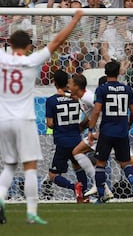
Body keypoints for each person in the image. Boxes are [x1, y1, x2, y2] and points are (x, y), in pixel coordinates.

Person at [0, 5, 83, 224]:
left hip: (3, 119)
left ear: (10, 44)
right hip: (24, 119)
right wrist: (76, 18)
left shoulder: (1, 58)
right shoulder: (31, 60)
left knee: (9, 166)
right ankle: (31, 212)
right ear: (29, 46)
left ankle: (0, 198)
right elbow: (57, 41)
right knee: (30, 166)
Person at [69, 74, 133, 203]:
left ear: (77, 86)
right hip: (111, 132)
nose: (68, 86)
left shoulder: (88, 97)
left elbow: (100, 111)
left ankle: (101, 187)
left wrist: (98, 131)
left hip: (106, 133)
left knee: (80, 153)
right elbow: (91, 115)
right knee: (128, 163)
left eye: (70, 83)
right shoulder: (83, 98)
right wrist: (83, 127)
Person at [88, 60, 133, 204]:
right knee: (126, 163)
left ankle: (101, 196)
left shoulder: (101, 89)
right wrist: (129, 124)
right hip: (122, 132)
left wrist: (90, 129)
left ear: (105, 73)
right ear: (119, 72)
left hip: (106, 131)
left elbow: (96, 111)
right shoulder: (127, 89)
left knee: (100, 164)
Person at [45, 70, 89, 204]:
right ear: (67, 83)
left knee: (53, 175)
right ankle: (84, 196)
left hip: (62, 141)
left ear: (54, 83)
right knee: (78, 168)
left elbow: (50, 124)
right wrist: (81, 126)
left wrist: (58, 125)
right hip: (76, 140)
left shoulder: (51, 100)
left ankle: (73, 187)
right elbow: (90, 115)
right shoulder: (76, 98)